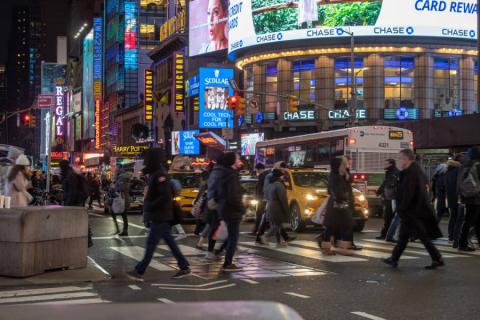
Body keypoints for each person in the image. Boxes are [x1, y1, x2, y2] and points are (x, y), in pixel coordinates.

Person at [127, 148, 190, 280]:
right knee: (169, 241)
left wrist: (150, 205)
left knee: (151, 244)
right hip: (160, 215)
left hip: (160, 215)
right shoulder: (156, 173)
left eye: (147, 158)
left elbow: (164, 196)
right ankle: (184, 266)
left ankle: (139, 270)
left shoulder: (160, 175)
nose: (145, 161)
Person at [383, 149, 444, 270]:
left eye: (400, 158)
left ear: (406, 159)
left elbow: (409, 193)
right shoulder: (414, 170)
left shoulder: (411, 172)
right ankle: (394, 259)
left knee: (422, 236)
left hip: (413, 211)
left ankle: (437, 258)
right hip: (413, 210)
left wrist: (401, 208)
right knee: (404, 236)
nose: (399, 161)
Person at [217, 152, 245, 272]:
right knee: (234, 237)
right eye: (237, 158)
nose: (239, 160)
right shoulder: (232, 175)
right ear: (232, 161)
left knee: (231, 235)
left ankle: (220, 251)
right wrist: (241, 208)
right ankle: (227, 263)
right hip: (232, 210)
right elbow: (233, 196)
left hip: (225, 208)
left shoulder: (225, 173)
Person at [321, 157, 355, 256]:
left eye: (346, 164)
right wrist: (344, 197)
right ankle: (330, 248)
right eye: (343, 164)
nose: (346, 166)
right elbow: (334, 191)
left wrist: (347, 177)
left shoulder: (343, 175)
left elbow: (349, 185)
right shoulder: (334, 176)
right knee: (333, 227)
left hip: (343, 205)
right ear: (338, 166)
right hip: (337, 206)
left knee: (342, 226)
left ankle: (342, 247)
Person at [59, 160, 92, 247]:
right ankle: (85, 238)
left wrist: (68, 203)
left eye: (60, 166)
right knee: (80, 218)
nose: (59, 169)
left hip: (75, 200)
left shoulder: (70, 175)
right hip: (76, 199)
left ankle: (88, 239)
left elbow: (72, 191)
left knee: (80, 219)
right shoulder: (70, 173)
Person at [457, 146, 480, 251]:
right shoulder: (477, 165)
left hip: (466, 196)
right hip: (476, 197)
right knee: (471, 220)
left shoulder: (464, 164)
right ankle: (462, 243)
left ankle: (461, 242)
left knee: (470, 220)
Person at [264, 169, 290, 247]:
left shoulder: (270, 184)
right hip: (277, 208)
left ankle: (278, 242)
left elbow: (267, 196)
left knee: (276, 225)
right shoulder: (279, 185)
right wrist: (287, 211)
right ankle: (265, 236)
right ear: (280, 176)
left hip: (270, 206)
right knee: (277, 225)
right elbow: (283, 199)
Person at [376, 159, 400, 241]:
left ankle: (387, 235)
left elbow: (389, 185)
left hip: (392, 198)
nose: (384, 164)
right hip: (389, 198)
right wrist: (379, 191)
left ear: (390, 164)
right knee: (388, 217)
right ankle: (386, 234)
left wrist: (380, 191)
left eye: (386, 163)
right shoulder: (390, 172)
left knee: (390, 217)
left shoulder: (395, 172)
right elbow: (385, 183)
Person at [445, 157, 461, 242]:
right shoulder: (458, 171)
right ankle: (456, 236)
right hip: (457, 198)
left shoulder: (447, 172)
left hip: (450, 198)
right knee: (458, 218)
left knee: (452, 217)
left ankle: (450, 236)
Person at [113, 168, 131, 236]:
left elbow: (120, 188)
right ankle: (124, 230)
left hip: (122, 199)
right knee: (124, 216)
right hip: (125, 198)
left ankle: (124, 230)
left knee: (123, 215)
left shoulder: (121, 179)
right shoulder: (127, 180)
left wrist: (115, 186)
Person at [253, 163, 269, 234]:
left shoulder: (264, 176)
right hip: (262, 198)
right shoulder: (264, 175)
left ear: (260, 169)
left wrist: (258, 197)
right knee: (263, 215)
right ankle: (258, 230)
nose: (257, 172)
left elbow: (261, 188)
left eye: (257, 170)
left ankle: (257, 230)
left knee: (259, 214)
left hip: (262, 199)